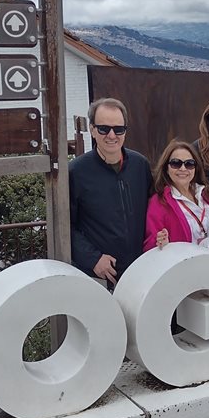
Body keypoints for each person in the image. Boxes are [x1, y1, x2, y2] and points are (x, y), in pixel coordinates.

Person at [68, 97, 151, 287]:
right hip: (99, 276)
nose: (112, 135)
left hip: (141, 271)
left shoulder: (140, 165)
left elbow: (154, 210)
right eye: (104, 129)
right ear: (92, 129)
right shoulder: (76, 172)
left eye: (118, 129)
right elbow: (65, 226)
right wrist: (93, 259)